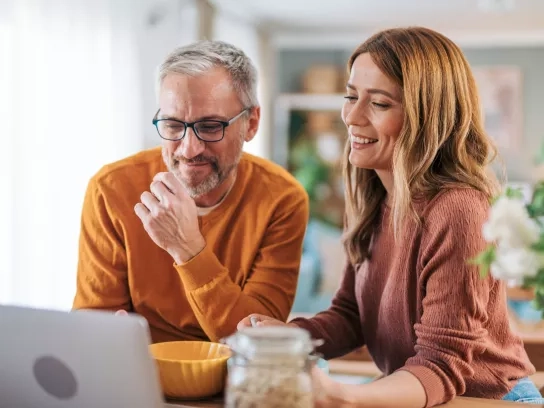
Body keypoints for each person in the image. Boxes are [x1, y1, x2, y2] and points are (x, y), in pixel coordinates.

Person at [238, 27, 540, 407]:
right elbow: (350, 316)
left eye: (379, 104)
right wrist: (287, 336)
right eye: (351, 96)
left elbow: (441, 366)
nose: (352, 116)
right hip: (418, 394)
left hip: (488, 399)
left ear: (426, 116)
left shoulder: (458, 209)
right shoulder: (371, 196)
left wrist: (344, 395)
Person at [73, 40, 309, 344]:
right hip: (139, 375)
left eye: (210, 127)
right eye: (172, 125)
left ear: (251, 123)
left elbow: (259, 342)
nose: (189, 149)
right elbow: (94, 328)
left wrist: (188, 249)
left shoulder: (282, 199)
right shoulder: (111, 189)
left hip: (233, 383)